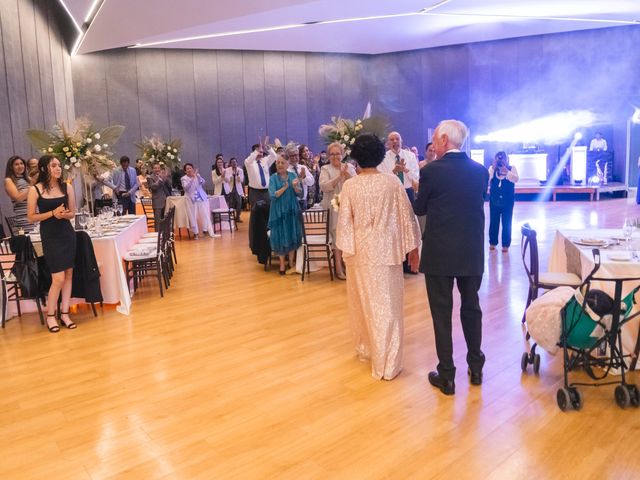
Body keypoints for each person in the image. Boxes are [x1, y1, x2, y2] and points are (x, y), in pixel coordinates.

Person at [336, 134, 421, 380]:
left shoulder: (350, 185)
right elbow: (407, 216)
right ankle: (388, 363)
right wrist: (413, 248)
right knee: (389, 305)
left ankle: (369, 350)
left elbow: (345, 223)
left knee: (364, 302)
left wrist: (344, 250)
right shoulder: (392, 182)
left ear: (357, 158)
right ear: (381, 155)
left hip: (360, 251)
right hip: (387, 250)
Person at [414, 119, 488, 395]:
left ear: (444, 140)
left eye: (435, 138)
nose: (433, 144)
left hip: (440, 253)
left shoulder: (431, 171)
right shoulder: (481, 172)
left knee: (442, 314)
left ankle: (447, 376)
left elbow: (420, 209)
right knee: (471, 308)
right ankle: (476, 367)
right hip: (471, 252)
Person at [26, 155, 77, 333]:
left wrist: (64, 214)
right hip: (50, 236)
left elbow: (72, 213)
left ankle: (65, 314)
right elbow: (31, 217)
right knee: (58, 278)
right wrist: (52, 214)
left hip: (67, 234)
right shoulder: (36, 190)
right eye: (53, 165)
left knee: (69, 275)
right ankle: (50, 316)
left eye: (59, 165)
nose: (58, 168)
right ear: (44, 169)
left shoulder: (67, 187)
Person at [319, 142, 356, 280]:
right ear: (328, 156)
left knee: (347, 236)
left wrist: (346, 175)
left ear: (342, 154)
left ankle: (347, 265)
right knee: (336, 237)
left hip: (348, 206)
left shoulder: (349, 167)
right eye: (332, 154)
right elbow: (324, 187)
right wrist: (338, 176)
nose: (335, 156)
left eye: (338, 153)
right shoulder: (325, 169)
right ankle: (338, 268)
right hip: (333, 207)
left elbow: (356, 184)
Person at [268, 156, 303, 275]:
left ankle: (291, 263)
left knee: (292, 234)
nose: (280, 164)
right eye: (278, 162)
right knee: (280, 235)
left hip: (291, 209)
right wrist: (285, 187)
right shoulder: (273, 178)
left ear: (287, 164)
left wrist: (295, 186)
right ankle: (282, 265)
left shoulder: (293, 176)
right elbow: (273, 195)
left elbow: (300, 193)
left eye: (282, 162)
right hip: (278, 211)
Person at [488, 151, 519, 252]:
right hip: (494, 201)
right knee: (493, 222)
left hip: (508, 202)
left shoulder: (512, 168)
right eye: (498, 159)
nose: (500, 161)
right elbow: (487, 179)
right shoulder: (492, 169)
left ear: (506, 159)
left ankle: (505, 245)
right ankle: (492, 242)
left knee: (507, 223)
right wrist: (493, 168)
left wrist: (507, 172)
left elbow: (516, 179)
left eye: (502, 159)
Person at [181, 163, 218, 239]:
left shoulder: (196, 175)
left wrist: (197, 176)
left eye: (190, 168)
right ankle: (195, 233)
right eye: (187, 169)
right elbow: (186, 188)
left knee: (204, 213)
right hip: (191, 199)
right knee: (193, 216)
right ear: (185, 171)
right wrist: (192, 179)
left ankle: (205, 230)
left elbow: (202, 182)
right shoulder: (184, 178)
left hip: (200, 197)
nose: (189, 170)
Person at [4, 155, 32, 233]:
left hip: (36, 214)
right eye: (16, 164)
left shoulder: (28, 179)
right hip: (24, 217)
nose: (20, 166)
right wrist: (31, 188)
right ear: (11, 167)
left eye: (21, 163)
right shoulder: (8, 180)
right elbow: (18, 198)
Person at [245, 141, 277, 206]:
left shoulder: (265, 161)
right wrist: (257, 151)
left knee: (268, 212)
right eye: (259, 151)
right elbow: (249, 160)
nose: (261, 153)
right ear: (254, 152)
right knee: (256, 213)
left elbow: (274, 156)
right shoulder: (249, 162)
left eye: (262, 152)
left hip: (266, 192)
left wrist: (269, 148)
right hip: (255, 192)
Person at [285, 143, 314, 211]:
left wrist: (304, 177)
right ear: (287, 157)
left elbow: (311, 182)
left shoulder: (303, 167)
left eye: (297, 155)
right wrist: (299, 178)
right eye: (293, 155)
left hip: (303, 202)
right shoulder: (285, 170)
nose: (296, 157)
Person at [225, 157, 244, 223]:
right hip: (230, 189)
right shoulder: (227, 170)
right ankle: (230, 217)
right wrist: (232, 176)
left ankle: (237, 217)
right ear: (230, 163)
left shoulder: (240, 170)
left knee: (239, 203)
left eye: (235, 162)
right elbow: (227, 180)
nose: (234, 163)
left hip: (238, 189)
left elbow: (241, 180)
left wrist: (238, 176)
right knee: (230, 204)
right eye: (233, 162)